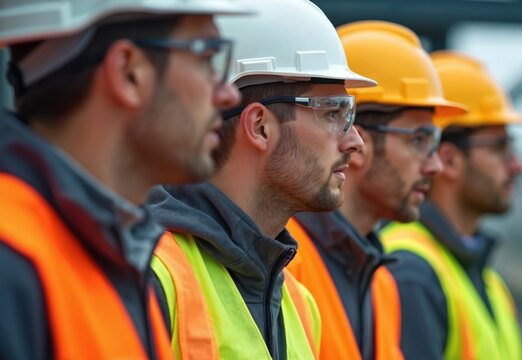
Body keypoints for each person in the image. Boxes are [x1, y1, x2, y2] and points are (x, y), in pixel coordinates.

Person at [0, 0, 247, 359]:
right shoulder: (12, 264)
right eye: (208, 58)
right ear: (129, 72)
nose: (229, 95)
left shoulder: (120, 248)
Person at [146, 0, 376, 358]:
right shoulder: (156, 275)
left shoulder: (300, 305)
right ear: (259, 126)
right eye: (333, 113)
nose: (355, 141)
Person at [286, 21, 466, 360]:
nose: (434, 166)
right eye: (419, 141)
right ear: (360, 144)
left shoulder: (382, 284)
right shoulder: (287, 263)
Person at [380, 51, 522, 360]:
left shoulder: (486, 280)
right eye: (500, 147)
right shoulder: (410, 270)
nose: (517, 165)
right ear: (448, 159)